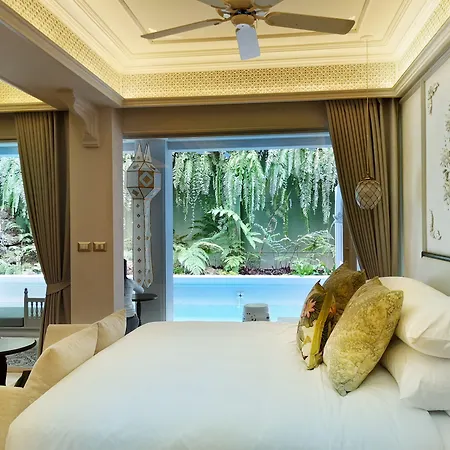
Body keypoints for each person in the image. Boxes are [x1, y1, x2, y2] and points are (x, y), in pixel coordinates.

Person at [124, 259, 144, 334]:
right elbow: (141, 291)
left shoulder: (110, 284)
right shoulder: (130, 282)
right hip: (130, 317)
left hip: (117, 318)